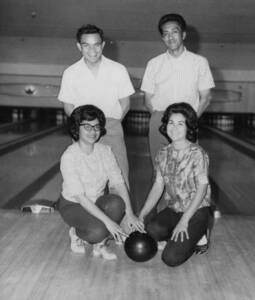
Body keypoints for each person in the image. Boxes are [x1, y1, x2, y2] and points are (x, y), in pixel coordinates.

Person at [58, 105, 144, 259]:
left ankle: (100, 245)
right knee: (98, 231)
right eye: (87, 126)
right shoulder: (69, 156)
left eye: (97, 126)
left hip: (96, 201)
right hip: (73, 204)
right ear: (77, 128)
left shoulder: (105, 151)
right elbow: (81, 198)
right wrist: (109, 223)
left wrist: (130, 214)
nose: (93, 131)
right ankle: (76, 232)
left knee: (118, 203)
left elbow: (119, 183)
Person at [58, 24, 134, 187]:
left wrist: (109, 124)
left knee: (119, 177)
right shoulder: (70, 73)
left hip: (111, 126)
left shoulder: (118, 70)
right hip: (82, 128)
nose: (92, 50)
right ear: (79, 46)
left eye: (96, 44)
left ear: (103, 45)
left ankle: (126, 212)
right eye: (86, 45)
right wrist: (82, 127)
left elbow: (125, 103)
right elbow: (68, 105)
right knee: (85, 178)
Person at [139, 102, 212, 267]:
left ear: (188, 127)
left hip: (196, 210)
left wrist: (185, 220)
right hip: (174, 209)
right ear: (166, 125)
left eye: (180, 124)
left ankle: (200, 232)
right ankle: (184, 233)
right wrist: (142, 213)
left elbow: (202, 189)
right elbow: (158, 185)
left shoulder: (198, 154)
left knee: (170, 258)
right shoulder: (163, 154)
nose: (174, 127)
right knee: (151, 231)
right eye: (171, 123)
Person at [141, 13, 215, 163]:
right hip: (159, 121)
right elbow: (147, 98)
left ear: (184, 34)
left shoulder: (199, 62)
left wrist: (189, 121)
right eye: (165, 34)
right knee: (159, 171)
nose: (170, 37)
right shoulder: (153, 64)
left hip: (188, 120)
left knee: (189, 170)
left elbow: (206, 97)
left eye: (174, 32)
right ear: (162, 38)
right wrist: (161, 120)